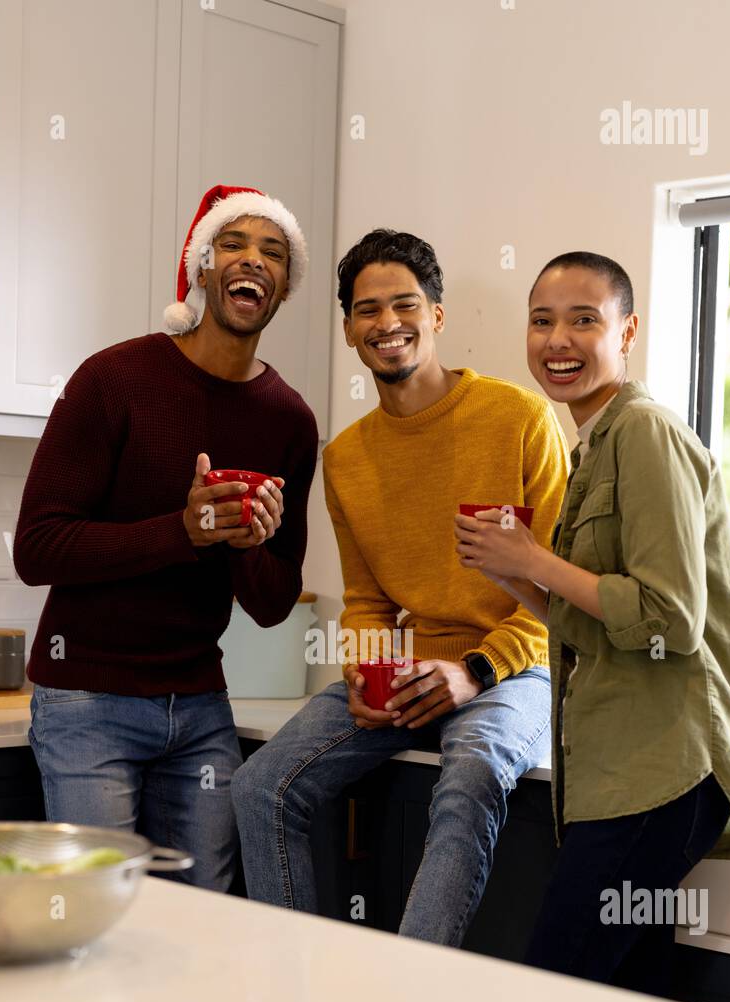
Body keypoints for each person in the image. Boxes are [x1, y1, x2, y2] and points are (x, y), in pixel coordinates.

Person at [232, 229, 568, 947]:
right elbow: (366, 602)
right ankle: (292, 976)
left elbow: (555, 595)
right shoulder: (347, 458)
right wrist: (361, 666)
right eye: (366, 310)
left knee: (470, 775)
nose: (387, 324)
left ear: (436, 315)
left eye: (404, 304)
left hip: (513, 667)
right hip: (408, 670)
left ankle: (411, 983)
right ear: (350, 329)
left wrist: (473, 670)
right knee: (260, 788)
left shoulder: (518, 419)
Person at [455, 250, 730, 989]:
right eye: (541, 321)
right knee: (630, 997)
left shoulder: (643, 434)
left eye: (582, 321)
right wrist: (518, 571)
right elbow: (593, 626)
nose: (557, 341)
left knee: (557, 986)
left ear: (625, 331)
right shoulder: (591, 446)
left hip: (663, 769)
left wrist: (534, 561)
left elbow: (670, 617)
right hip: (628, 770)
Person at [14, 184, 318, 890]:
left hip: (200, 709)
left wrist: (243, 543)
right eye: (234, 245)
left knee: (201, 922)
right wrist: (183, 532)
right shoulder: (113, 380)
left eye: (273, 252)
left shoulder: (290, 422)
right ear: (201, 268)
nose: (254, 260)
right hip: (86, 702)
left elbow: (273, 605)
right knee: (97, 914)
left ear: (282, 289)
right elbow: (38, 548)